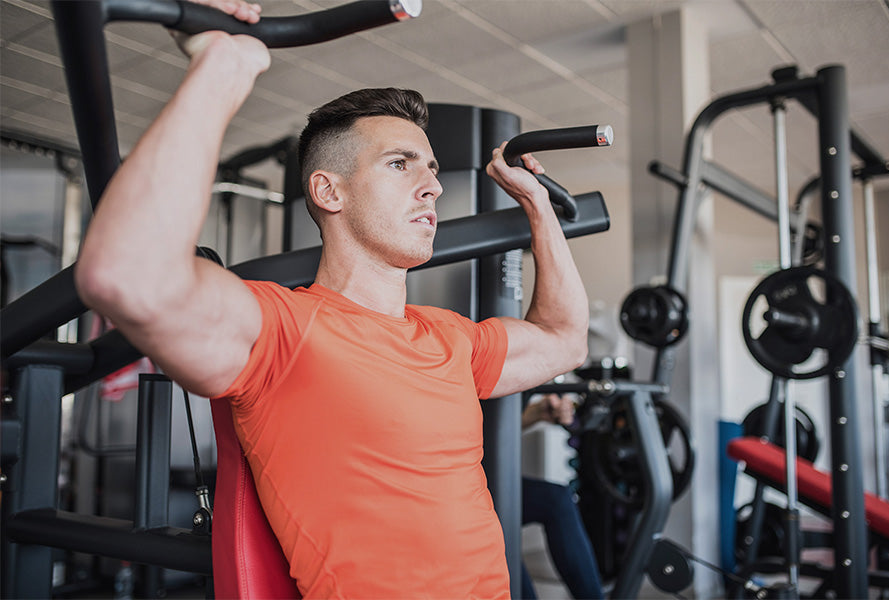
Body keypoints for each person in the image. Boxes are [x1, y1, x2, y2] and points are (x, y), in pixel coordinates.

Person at [74, 0, 589, 597]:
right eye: (400, 164)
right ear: (328, 191)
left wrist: (538, 207)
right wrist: (224, 66)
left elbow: (564, 340)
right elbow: (130, 276)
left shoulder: (450, 337)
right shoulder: (282, 330)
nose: (433, 186)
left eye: (431, 168)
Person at [521, 394, 605, 599]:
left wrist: (536, 413)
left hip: (488, 478)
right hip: (455, 489)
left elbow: (491, 422)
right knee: (497, 522)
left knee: (555, 500)